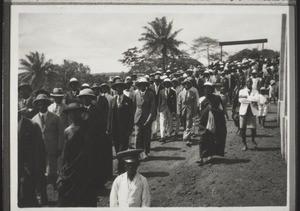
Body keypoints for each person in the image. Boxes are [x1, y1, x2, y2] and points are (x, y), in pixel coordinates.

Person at [57, 102, 101, 207]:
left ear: (81, 113)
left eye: (77, 112)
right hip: (72, 168)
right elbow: (65, 152)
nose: (74, 115)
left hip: (87, 167)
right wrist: (61, 172)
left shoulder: (90, 128)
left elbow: (96, 149)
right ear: (69, 115)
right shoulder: (67, 131)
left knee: (87, 196)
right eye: (71, 113)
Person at [77, 88, 111, 191]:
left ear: (91, 99)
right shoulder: (79, 111)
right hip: (83, 141)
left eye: (88, 98)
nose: (85, 100)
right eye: (83, 98)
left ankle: (98, 184)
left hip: (95, 141)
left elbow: (102, 125)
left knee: (96, 163)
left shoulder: (97, 110)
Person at [31, 94, 64, 191]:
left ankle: (54, 187)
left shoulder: (55, 118)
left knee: (52, 170)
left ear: (47, 105)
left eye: (44, 104)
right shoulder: (33, 120)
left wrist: (60, 148)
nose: (42, 106)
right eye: (39, 104)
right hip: (39, 150)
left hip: (52, 148)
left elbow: (61, 134)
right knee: (40, 169)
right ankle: (41, 190)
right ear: (37, 106)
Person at [18, 107, 46, 207]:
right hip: (13, 165)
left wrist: (31, 166)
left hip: (28, 166)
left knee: (28, 195)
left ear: (20, 113)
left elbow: (38, 149)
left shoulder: (32, 125)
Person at [107, 78, 134, 174]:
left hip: (124, 129)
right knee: (117, 149)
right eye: (117, 87)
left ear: (123, 88)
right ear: (115, 89)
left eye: (120, 87)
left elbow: (131, 117)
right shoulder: (112, 101)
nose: (118, 89)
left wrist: (130, 129)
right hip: (115, 130)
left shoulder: (128, 101)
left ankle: (120, 168)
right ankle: (121, 165)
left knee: (123, 148)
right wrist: (109, 129)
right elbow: (109, 117)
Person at [197, 82, 227, 166]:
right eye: (205, 88)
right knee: (202, 138)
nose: (206, 90)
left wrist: (213, 109)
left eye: (208, 88)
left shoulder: (217, 98)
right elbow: (200, 111)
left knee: (212, 137)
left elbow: (222, 110)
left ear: (211, 89)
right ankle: (201, 157)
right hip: (204, 121)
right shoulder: (201, 99)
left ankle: (210, 154)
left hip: (214, 120)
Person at [132, 77, 156, 159]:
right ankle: (137, 153)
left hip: (147, 117)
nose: (142, 86)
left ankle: (146, 152)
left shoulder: (151, 94)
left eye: (144, 85)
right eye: (140, 85)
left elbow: (152, 108)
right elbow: (134, 106)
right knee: (138, 136)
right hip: (138, 117)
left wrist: (149, 119)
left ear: (146, 85)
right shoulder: (135, 93)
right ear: (138, 85)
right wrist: (133, 118)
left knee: (147, 136)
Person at [239, 78, 260, 151]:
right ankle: (244, 144)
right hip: (243, 111)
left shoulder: (255, 91)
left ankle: (253, 139)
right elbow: (241, 100)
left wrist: (247, 98)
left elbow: (257, 99)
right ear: (245, 82)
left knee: (253, 129)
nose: (249, 83)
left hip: (252, 111)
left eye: (250, 82)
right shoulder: (241, 91)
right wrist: (252, 99)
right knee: (242, 129)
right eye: (248, 82)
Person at [177, 78, 198, 146]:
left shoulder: (193, 93)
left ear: (190, 85)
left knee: (189, 122)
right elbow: (179, 103)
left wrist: (195, 111)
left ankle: (187, 138)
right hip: (183, 110)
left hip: (190, 109)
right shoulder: (181, 93)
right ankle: (186, 135)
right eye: (185, 84)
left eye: (188, 84)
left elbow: (195, 103)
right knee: (184, 123)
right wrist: (179, 112)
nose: (186, 85)